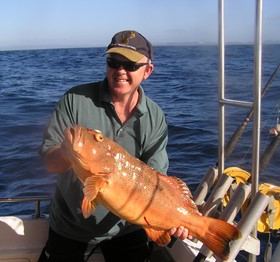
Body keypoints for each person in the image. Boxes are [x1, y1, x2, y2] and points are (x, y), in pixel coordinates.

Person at [38, 30, 191, 262]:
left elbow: (158, 179)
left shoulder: (155, 116)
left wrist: (177, 219)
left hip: (127, 229)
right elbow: (50, 163)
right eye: (113, 62)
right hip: (69, 227)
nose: (120, 71)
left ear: (147, 71)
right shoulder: (75, 100)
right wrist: (67, 151)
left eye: (130, 65)